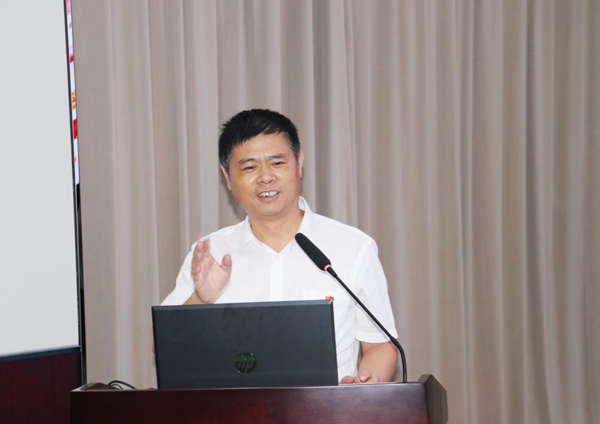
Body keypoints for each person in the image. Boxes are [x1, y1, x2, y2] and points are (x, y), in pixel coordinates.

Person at [161, 109, 398, 383]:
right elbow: (164, 349)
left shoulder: (352, 247)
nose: (265, 177)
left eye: (276, 162)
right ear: (227, 176)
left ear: (299, 162)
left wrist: (363, 389)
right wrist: (200, 300)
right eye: (249, 167)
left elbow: (380, 345)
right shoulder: (210, 253)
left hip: (326, 407)